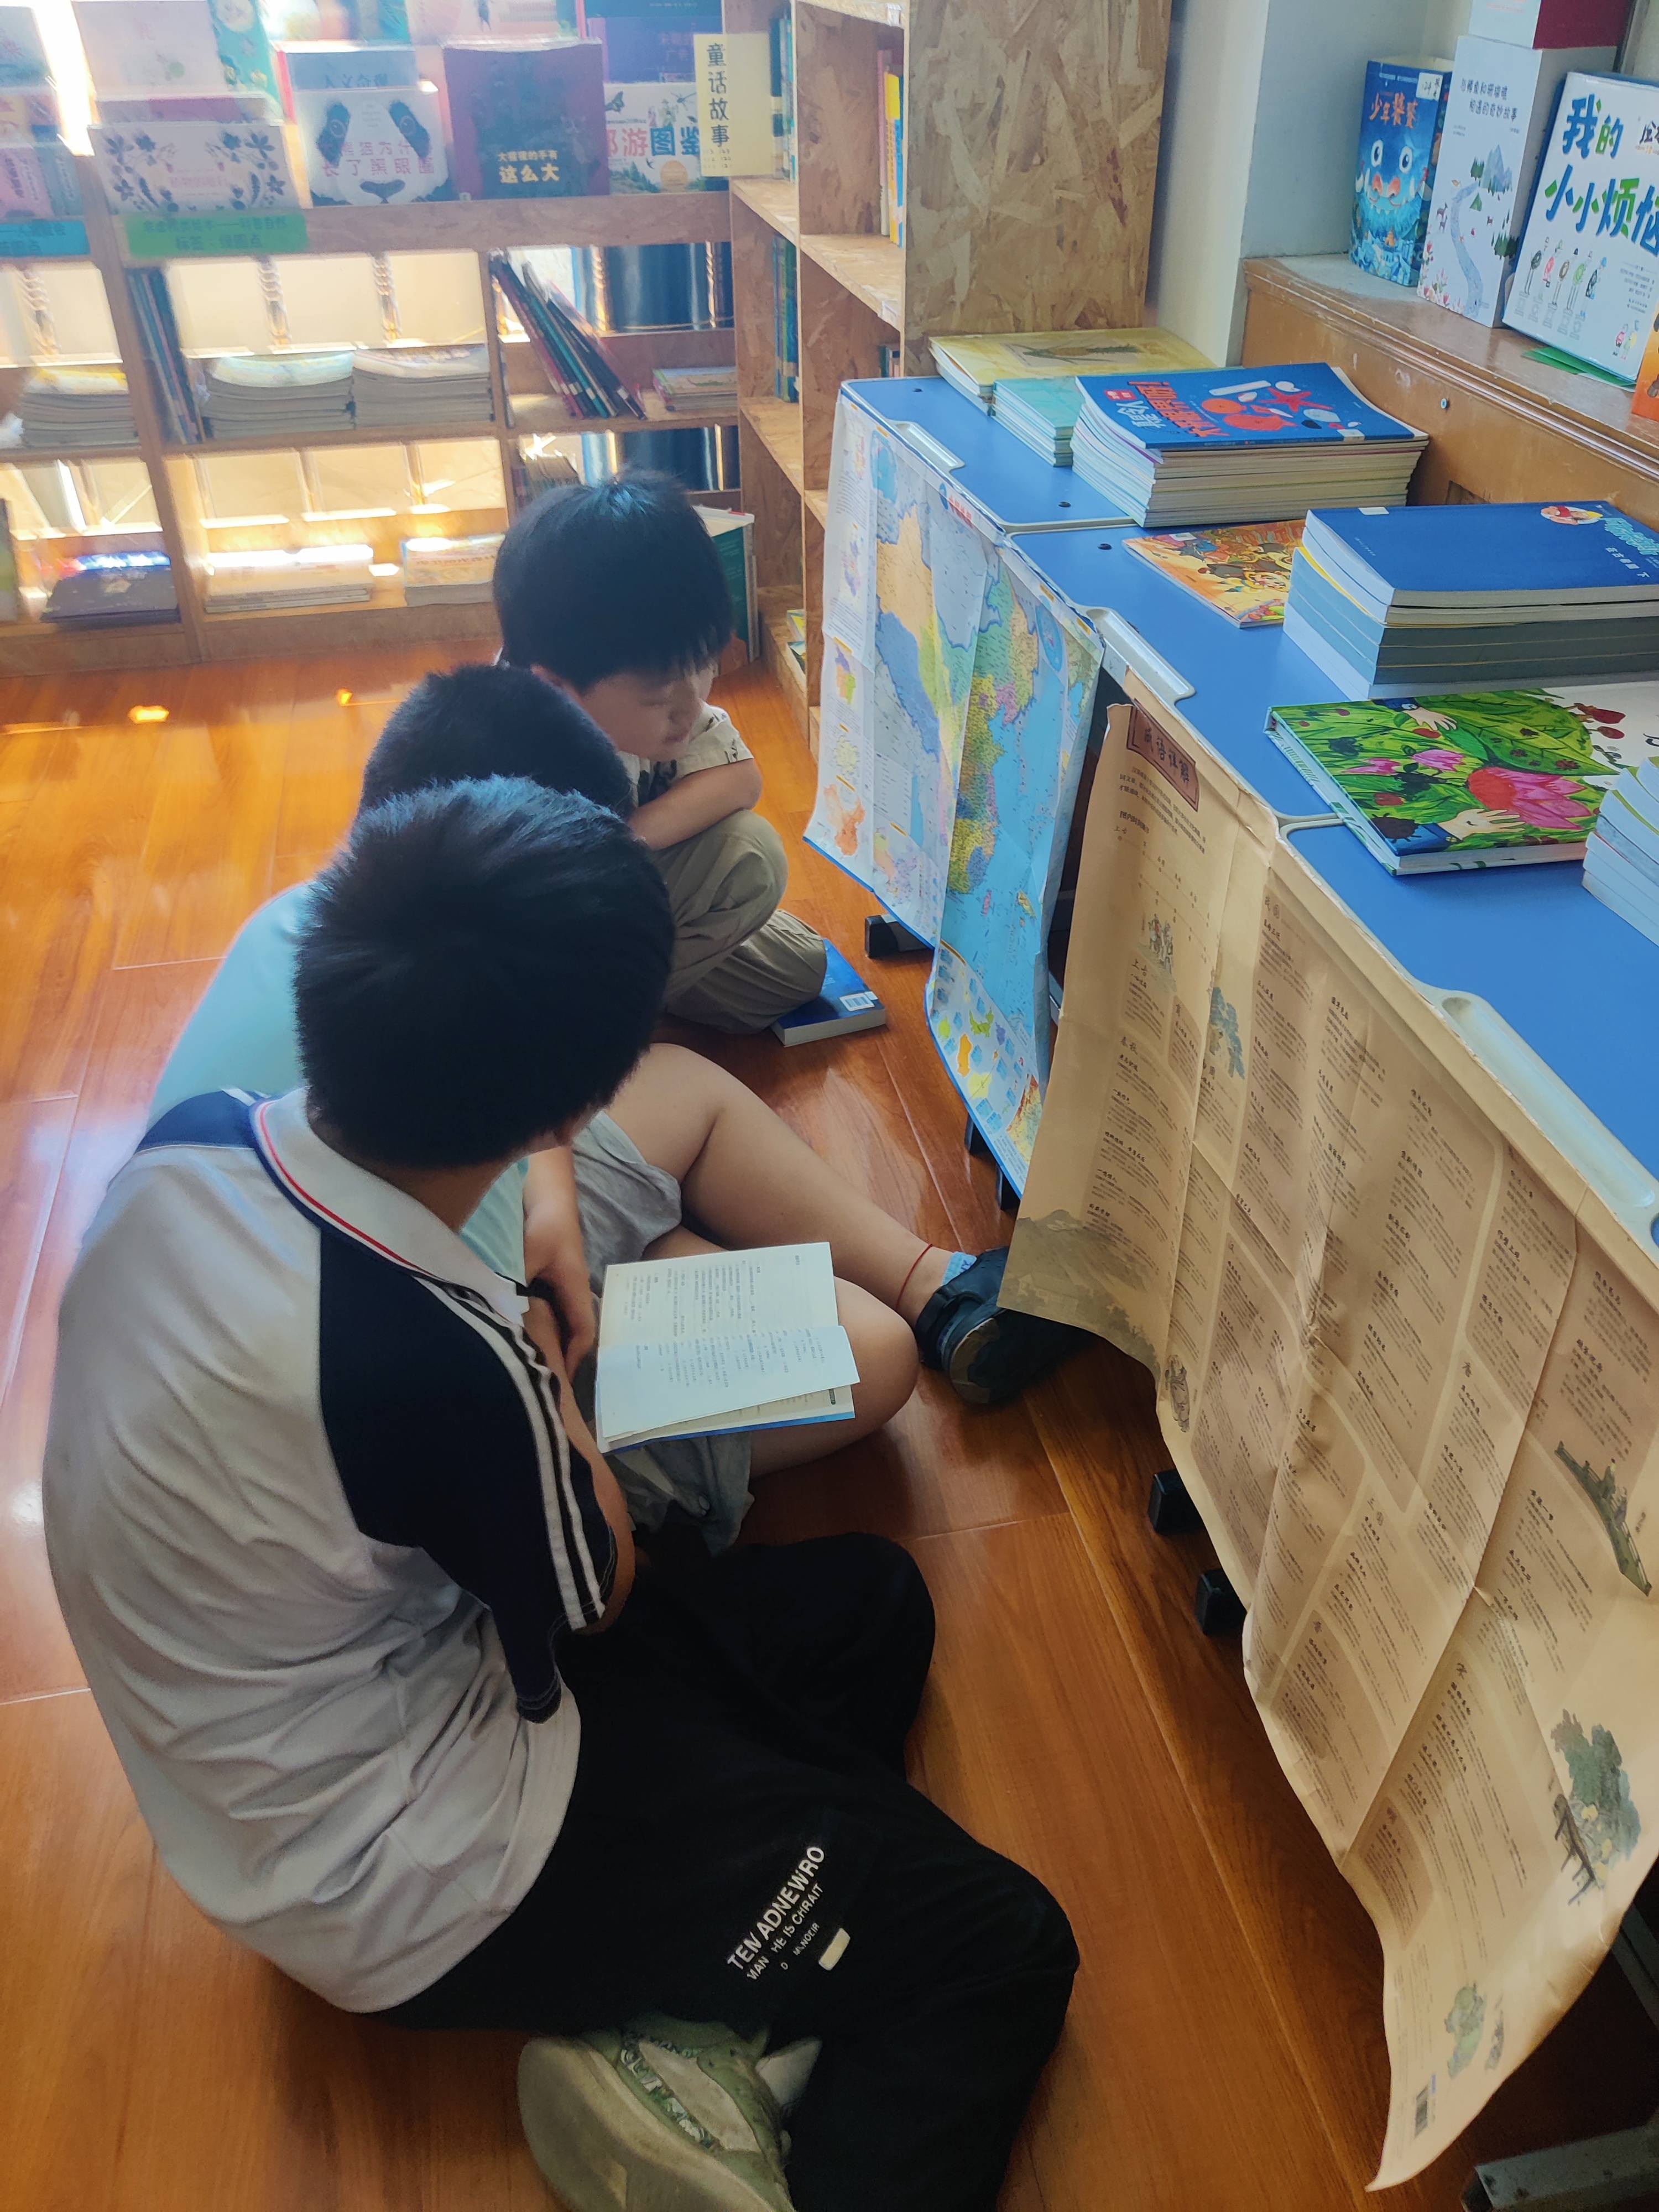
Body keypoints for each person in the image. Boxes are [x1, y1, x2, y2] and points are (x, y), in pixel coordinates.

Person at [44, 777, 1078, 2212]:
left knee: (872, 1603)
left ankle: (721, 1987)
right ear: (571, 1109)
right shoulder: (434, 1351)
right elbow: (600, 1588)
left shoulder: (200, 1141)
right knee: (1000, 1941)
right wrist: (548, 1369)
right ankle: (737, 2001)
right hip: (413, 1876)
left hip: (278, 1758)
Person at [152, 665, 1085, 1556]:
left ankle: (932, 1286)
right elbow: (562, 1524)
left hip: (321, 1286)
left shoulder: (321, 931)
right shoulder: (446, 1206)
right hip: (420, 1404)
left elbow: (514, 1148)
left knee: (679, 1090)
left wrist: (557, 1198)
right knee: (870, 1355)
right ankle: (914, 1292)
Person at [493, 468, 829, 1033]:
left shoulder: (639, 674)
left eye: (703, 666)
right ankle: (575, 1033)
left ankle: (608, 999)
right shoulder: (501, 743)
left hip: (609, 892)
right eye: (657, 697)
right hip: (522, 935)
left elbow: (740, 779)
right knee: (749, 857)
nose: (691, 707)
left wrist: (621, 841)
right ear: (555, 686)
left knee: (799, 968)